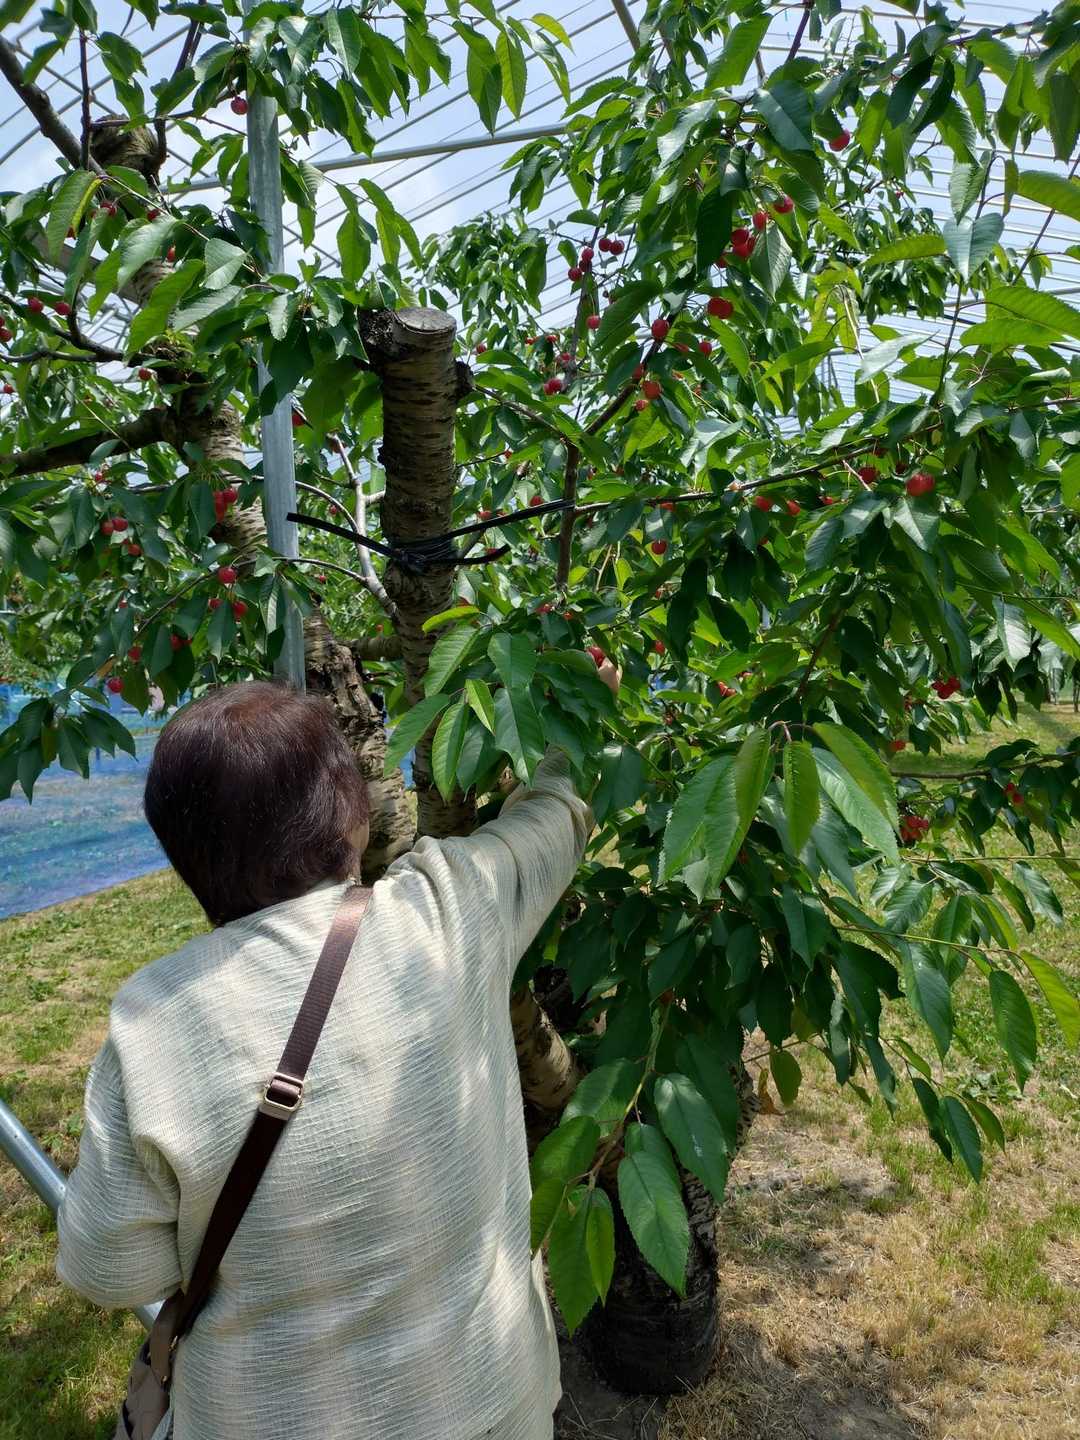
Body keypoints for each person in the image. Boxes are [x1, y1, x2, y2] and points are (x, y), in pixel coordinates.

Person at [56, 671, 617, 1440]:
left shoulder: (154, 1026)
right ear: (354, 817)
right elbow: (555, 814)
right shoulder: (450, 909)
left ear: (185, 860)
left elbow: (107, 1267)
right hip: (493, 1402)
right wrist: (579, 713)